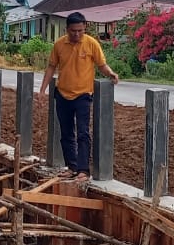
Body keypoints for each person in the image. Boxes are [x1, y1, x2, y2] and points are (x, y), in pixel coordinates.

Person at [39, 12, 119, 181]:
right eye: (73, 31)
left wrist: (111, 73)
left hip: (83, 94)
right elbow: (51, 67)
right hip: (62, 94)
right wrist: (42, 90)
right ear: (67, 29)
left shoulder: (91, 44)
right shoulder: (59, 45)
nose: (77, 34)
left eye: (80, 31)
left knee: (83, 133)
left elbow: (101, 64)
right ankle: (71, 166)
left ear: (85, 28)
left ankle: (83, 170)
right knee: (66, 133)